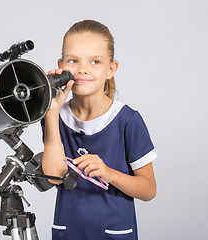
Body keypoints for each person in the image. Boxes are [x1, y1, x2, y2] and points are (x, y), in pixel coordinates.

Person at [41, 19, 157, 240]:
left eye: (95, 61)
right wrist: (52, 112)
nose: (83, 69)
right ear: (61, 65)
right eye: (73, 60)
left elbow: (149, 189)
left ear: (111, 69)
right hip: (68, 232)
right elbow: (55, 176)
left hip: (113, 233)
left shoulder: (127, 121)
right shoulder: (54, 115)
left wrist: (109, 173)